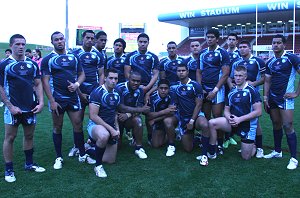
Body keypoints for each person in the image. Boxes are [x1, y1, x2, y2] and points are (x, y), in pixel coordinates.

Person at [41, 31, 94, 170]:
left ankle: (82, 154)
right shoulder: (48, 59)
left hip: (73, 98)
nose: (59, 41)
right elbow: (45, 82)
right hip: (57, 99)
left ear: (65, 40)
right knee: (58, 127)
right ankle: (59, 157)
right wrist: (51, 101)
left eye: (61, 39)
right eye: (56, 40)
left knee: (78, 125)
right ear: (52, 42)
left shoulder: (74, 56)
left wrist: (77, 84)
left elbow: (81, 74)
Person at [0, 34, 45, 183]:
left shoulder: (32, 64)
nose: (21, 47)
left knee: (29, 136)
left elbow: (38, 83)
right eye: (17, 44)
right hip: (12, 109)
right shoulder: (4, 64)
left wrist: (41, 102)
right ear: (11, 45)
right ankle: (9, 169)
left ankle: (29, 164)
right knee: (10, 138)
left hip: (30, 108)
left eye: (23, 44)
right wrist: (10, 106)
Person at [208, 65, 262, 162]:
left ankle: (253, 145)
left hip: (247, 125)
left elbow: (258, 111)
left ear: (245, 77)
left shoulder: (252, 91)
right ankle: (212, 152)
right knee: (212, 122)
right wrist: (229, 118)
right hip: (233, 122)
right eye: (236, 76)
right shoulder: (232, 91)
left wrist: (239, 119)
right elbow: (226, 109)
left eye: (240, 76)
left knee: (246, 157)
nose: (237, 78)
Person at [263, 34, 300, 170]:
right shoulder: (270, 62)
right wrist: (265, 97)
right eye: (274, 43)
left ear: (284, 45)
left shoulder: (291, 58)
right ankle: (277, 151)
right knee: (276, 124)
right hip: (272, 98)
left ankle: (294, 158)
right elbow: (267, 80)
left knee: (288, 125)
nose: (276, 45)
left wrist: (296, 93)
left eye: (279, 43)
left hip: (285, 98)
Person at [68, 30, 104, 157]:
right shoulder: (75, 53)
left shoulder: (98, 54)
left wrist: (99, 90)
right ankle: (77, 146)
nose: (90, 40)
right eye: (87, 37)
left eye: (92, 38)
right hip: (79, 91)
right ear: (82, 39)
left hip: (94, 91)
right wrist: (79, 92)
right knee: (78, 120)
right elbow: (72, 74)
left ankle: (91, 142)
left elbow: (101, 74)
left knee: (96, 118)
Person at [228, 40, 266, 158]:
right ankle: (246, 142)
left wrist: (252, 84)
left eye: (244, 47)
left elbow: (265, 78)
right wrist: (232, 88)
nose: (242, 49)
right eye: (240, 47)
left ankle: (258, 147)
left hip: (252, 94)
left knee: (255, 122)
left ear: (250, 48)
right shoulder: (236, 62)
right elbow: (230, 78)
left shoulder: (258, 61)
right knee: (238, 117)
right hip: (238, 93)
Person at [199, 28, 230, 155]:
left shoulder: (222, 53)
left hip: (217, 91)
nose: (209, 39)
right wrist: (201, 88)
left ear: (217, 39)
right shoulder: (202, 53)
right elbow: (199, 72)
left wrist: (215, 90)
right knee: (205, 119)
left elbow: (226, 73)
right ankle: (206, 143)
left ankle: (220, 144)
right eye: (207, 37)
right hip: (205, 90)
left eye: (212, 37)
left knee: (217, 118)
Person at [171, 64, 210, 164]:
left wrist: (192, 121)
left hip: (196, 117)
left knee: (205, 124)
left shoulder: (195, 85)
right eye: (179, 71)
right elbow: (175, 103)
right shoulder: (175, 87)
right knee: (188, 149)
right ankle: (197, 138)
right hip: (183, 118)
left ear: (187, 72)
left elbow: (199, 105)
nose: (181, 72)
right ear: (176, 72)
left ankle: (204, 154)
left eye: (183, 70)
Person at [87, 68, 120, 178]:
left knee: (110, 160)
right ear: (105, 78)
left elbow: (115, 112)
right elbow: (93, 116)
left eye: (116, 78)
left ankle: (88, 149)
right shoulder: (97, 92)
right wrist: (111, 130)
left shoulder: (117, 93)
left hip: (110, 126)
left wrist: (117, 129)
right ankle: (98, 166)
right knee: (104, 135)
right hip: (95, 126)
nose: (113, 81)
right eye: (111, 78)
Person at [115, 71, 150, 158]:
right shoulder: (119, 88)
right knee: (117, 147)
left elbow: (139, 106)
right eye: (133, 80)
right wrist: (140, 109)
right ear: (128, 79)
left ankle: (139, 147)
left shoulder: (140, 91)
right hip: (116, 118)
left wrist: (128, 114)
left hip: (129, 117)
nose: (136, 83)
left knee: (138, 121)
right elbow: (120, 107)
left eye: (138, 81)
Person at [146, 79, 178, 156]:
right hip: (159, 120)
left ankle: (171, 145)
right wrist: (165, 111)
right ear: (157, 88)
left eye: (166, 88)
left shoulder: (172, 95)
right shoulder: (153, 97)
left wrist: (156, 118)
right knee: (155, 145)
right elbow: (149, 116)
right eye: (161, 88)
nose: (163, 90)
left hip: (170, 119)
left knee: (168, 121)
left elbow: (172, 112)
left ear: (169, 89)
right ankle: (171, 134)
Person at [222, 33, 240, 149]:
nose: (231, 41)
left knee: (236, 112)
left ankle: (231, 135)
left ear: (237, 41)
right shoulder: (223, 53)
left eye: (233, 39)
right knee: (225, 111)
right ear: (227, 41)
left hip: (236, 86)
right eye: (229, 39)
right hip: (224, 86)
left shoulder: (240, 53)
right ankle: (226, 137)